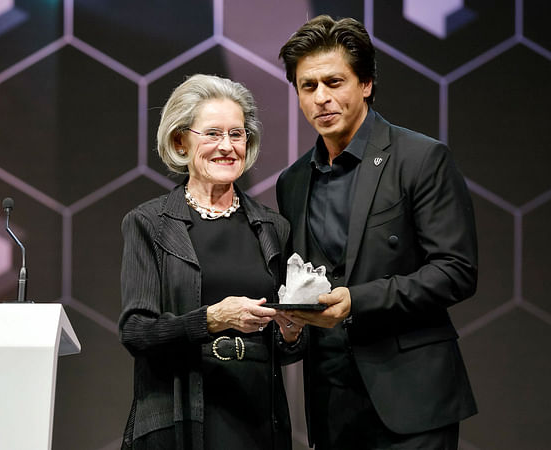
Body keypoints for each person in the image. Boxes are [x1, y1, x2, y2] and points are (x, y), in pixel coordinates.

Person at [276, 15, 478, 449]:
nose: (322, 98)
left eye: (334, 82)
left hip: (411, 400)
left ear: (365, 83)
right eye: (308, 86)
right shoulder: (292, 182)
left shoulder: (421, 158)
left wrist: (357, 301)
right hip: (332, 403)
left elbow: (456, 271)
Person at [119, 74, 303, 450]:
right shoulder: (148, 223)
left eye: (237, 134)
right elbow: (136, 332)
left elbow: (286, 349)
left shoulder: (272, 228)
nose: (227, 146)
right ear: (180, 141)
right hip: (179, 416)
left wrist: (292, 331)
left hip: (257, 419)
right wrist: (211, 319)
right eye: (213, 134)